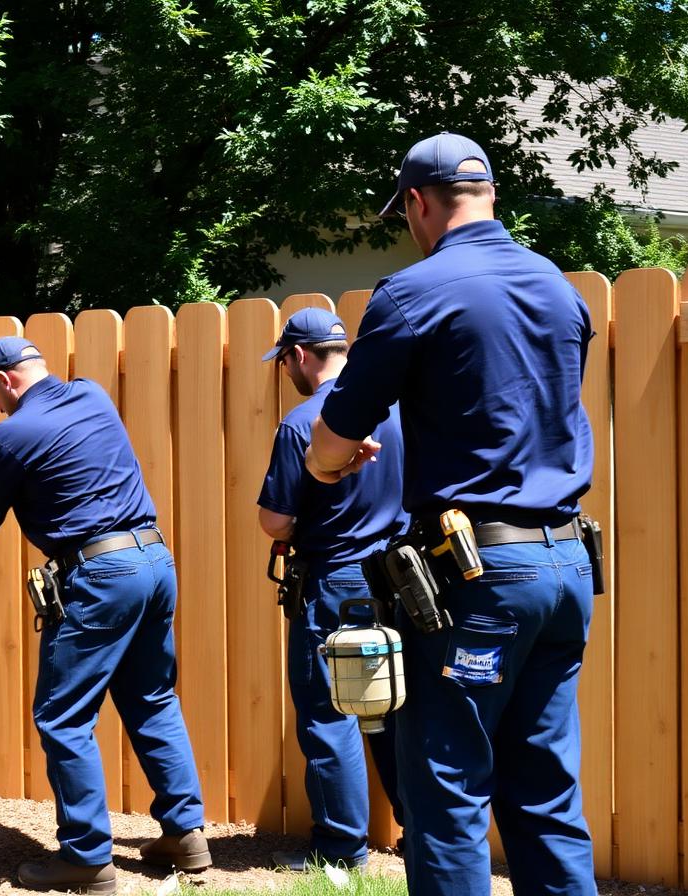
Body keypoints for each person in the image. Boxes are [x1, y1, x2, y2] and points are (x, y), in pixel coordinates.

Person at [302, 133, 597, 896]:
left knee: (446, 790)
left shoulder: (411, 294)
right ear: (491, 194)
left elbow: (333, 436)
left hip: (477, 580)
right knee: (545, 791)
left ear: (419, 203)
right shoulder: (561, 291)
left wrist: (325, 462)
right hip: (566, 566)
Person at [0, 337, 210, 896]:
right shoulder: (91, 396)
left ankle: (87, 859)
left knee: (64, 716)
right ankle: (186, 835)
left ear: (4, 381)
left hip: (100, 578)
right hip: (152, 559)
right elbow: (62, 467)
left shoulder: (8, 434)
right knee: (151, 699)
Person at [256, 308, 408, 872]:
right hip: (397, 579)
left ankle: (341, 853)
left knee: (330, 712)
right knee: (394, 707)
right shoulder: (396, 412)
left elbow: (275, 521)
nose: (286, 373)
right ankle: (420, 837)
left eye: (285, 363)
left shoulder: (304, 422)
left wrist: (297, 527)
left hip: (334, 582)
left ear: (299, 354)